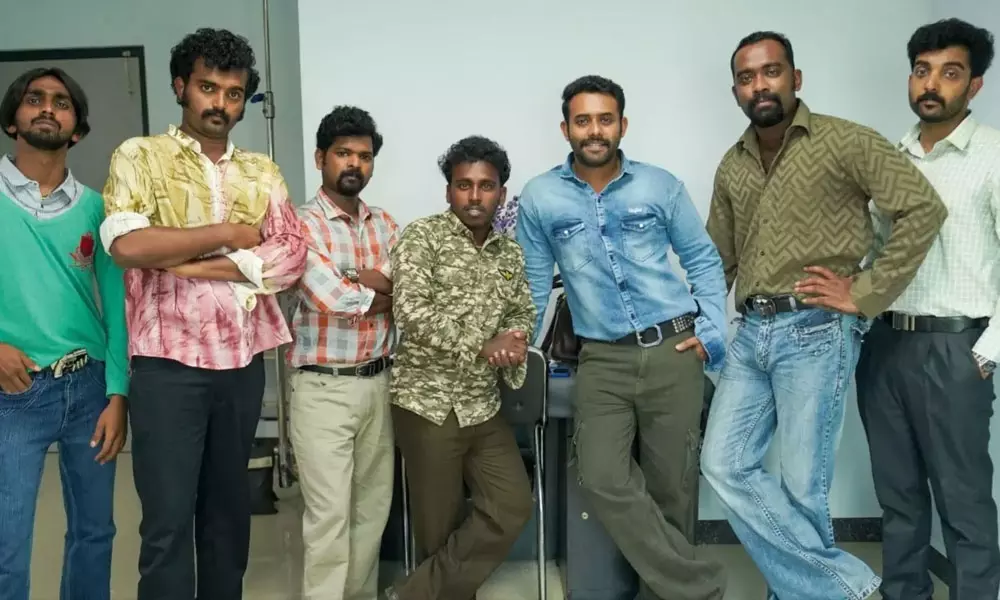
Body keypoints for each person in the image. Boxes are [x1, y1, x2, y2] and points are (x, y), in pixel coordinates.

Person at [700, 31, 948, 600]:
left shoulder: (845, 141)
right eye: (746, 77)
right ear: (736, 91)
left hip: (814, 330)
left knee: (801, 487)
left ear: (795, 79)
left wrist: (864, 292)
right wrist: (701, 325)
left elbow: (922, 208)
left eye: (771, 71)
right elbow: (718, 258)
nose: (759, 85)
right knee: (723, 464)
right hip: (751, 333)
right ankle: (846, 587)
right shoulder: (733, 164)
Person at [98, 28, 307, 600]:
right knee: (167, 524)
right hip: (167, 367)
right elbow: (128, 246)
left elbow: (291, 256)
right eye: (207, 87)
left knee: (228, 519)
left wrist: (193, 264)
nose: (220, 103)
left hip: (240, 365)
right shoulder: (140, 156)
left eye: (233, 93)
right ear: (180, 88)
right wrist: (231, 235)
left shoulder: (262, 172)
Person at [516, 74, 729, 600]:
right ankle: (700, 586)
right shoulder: (540, 196)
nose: (594, 130)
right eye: (583, 120)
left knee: (672, 488)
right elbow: (535, 284)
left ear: (622, 125)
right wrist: (522, 347)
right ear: (565, 129)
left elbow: (703, 260)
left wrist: (711, 332)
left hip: (673, 349)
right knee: (601, 475)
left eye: (605, 119)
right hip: (601, 359)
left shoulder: (660, 186)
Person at [855, 18, 1000, 600]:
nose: (932, 84)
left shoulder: (993, 156)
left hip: (956, 348)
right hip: (886, 345)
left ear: (975, 84)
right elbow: (874, 252)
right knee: (898, 499)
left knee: (964, 502)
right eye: (922, 71)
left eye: (950, 72)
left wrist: (986, 354)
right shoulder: (892, 159)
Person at [384, 136, 535, 600]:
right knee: (439, 528)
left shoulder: (509, 253)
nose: (474, 196)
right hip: (427, 404)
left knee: (512, 505)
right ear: (448, 190)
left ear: (501, 194)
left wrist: (513, 340)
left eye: (486, 186)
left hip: (482, 404)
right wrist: (483, 344)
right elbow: (411, 311)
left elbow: (522, 310)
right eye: (463, 185)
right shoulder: (422, 236)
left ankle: (410, 595)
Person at [0, 67, 128, 600]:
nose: (48, 108)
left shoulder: (98, 209)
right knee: (6, 545)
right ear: (13, 121)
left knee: (95, 534)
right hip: (12, 393)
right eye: (35, 99)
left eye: (62, 102)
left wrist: (118, 394)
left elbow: (118, 307)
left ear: (78, 129)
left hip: (89, 390)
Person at [288, 105, 399, 600]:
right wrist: (376, 288)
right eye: (343, 153)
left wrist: (351, 276)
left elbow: (409, 291)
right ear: (321, 158)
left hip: (380, 383)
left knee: (371, 512)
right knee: (328, 516)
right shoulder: (299, 225)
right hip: (323, 388)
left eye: (364, 156)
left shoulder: (386, 223)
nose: (354, 163)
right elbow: (329, 298)